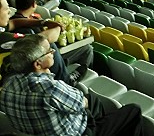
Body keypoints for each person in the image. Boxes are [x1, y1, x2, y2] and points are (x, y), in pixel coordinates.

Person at [0, 34, 144, 136]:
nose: (53, 52)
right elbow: (83, 102)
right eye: (49, 51)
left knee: (93, 100)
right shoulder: (50, 88)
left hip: (38, 129)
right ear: (38, 64)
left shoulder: (7, 86)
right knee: (133, 110)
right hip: (78, 132)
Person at [0, 0, 85, 86]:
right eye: (6, 8)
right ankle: (66, 81)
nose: (9, 11)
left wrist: (43, 22)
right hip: (11, 83)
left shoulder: (2, 28)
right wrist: (58, 27)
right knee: (47, 45)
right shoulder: (3, 38)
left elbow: (14, 23)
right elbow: (42, 39)